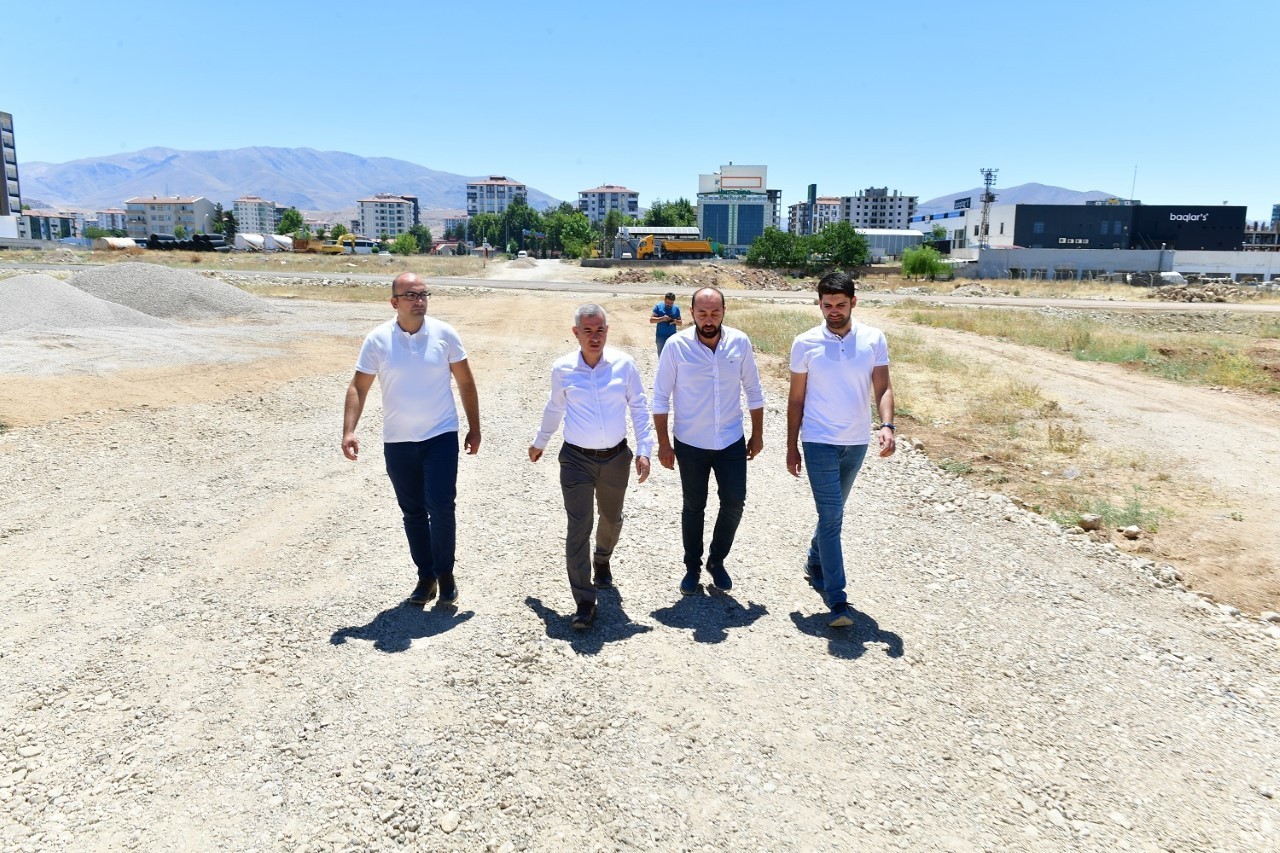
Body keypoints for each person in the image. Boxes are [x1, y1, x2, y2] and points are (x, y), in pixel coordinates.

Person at [342, 272, 481, 607]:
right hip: (399, 441)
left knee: (442, 506)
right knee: (413, 512)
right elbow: (359, 386)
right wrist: (349, 430)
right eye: (411, 296)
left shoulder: (445, 334)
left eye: (423, 294)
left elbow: (465, 382)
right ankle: (425, 576)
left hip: (440, 436)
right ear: (394, 302)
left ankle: (445, 576)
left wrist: (474, 427)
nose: (419, 301)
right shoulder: (377, 340)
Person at [529, 304, 654, 630]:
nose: (594, 337)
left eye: (600, 330)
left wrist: (644, 450)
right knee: (578, 526)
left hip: (616, 459)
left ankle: (602, 559)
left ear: (607, 331)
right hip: (576, 460)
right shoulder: (563, 369)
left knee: (611, 519)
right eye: (588, 331)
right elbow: (554, 407)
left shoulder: (624, 365)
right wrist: (541, 442)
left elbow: (639, 406)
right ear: (576, 333)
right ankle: (584, 601)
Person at [786, 271, 896, 627]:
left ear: (853, 302)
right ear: (819, 304)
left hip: (856, 441)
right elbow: (796, 399)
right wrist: (791, 446)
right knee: (833, 517)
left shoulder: (873, 339)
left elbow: (883, 387)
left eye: (840, 304)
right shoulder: (805, 343)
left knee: (832, 513)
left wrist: (887, 425)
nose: (834, 311)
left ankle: (814, 559)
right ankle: (837, 599)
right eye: (827, 305)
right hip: (818, 439)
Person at [652, 287, 764, 596]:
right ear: (692, 313)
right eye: (702, 313)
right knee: (693, 506)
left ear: (724, 312)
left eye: (715, 313)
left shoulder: (739, 343)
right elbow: (660, 398)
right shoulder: (676, 347)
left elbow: (754, 390)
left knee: (734, 502)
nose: (709, 319)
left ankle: (717, 560)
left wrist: (758, 434)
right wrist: (663, 443)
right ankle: (692, 566)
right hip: (690, 443)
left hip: (730, 440)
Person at [650, 291, 683, 356]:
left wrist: (674, 321)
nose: (669, 305)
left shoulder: (676, 308)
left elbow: (680, 323)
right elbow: (651, 320)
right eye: (668, 303)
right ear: (664, 300)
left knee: (672, 356)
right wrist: (662, 318)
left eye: (671, 303)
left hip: (672, 337)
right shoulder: (658, 307)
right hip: (661, 337)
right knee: (661, 356)